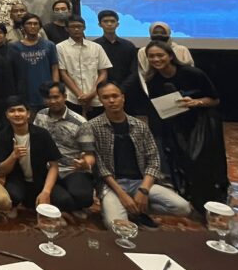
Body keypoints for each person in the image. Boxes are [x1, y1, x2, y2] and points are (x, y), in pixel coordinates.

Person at [82, 81, 192, 229]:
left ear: (123, 97)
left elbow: (153, 160)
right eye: (106, 97)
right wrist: (122, 195)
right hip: (112, 185)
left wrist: (144, 190)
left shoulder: (140, 126)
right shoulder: (92, 127)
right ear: (100, 100)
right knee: (117, 227)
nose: (111, 100)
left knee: (183, 208)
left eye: (115, 96)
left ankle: (136, 209)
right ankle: (125, 209)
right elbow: (101, 169)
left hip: (140, 182)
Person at [143, 41, 229, 209]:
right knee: (181, 162)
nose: (156, 59)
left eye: (160, 55)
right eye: (151, 56)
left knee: (204, 164)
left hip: (201, 124)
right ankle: (189, 196)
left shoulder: (193, 73)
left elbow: (215, 100)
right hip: (176, 125)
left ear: (170, 56)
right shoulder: (152, 80)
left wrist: (196, 102)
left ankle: (211, 201)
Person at [33, 82, 96, 214]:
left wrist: (85, 164)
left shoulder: (80, 122)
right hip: (47, 169)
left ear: (65, 97)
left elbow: (89, 154)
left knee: (84, 198)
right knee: (64, 200)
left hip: (72, 169)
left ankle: (63, 200)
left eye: (56, 97)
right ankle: (63, 202)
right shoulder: (40, 115)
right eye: (48, 98)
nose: (52, 101)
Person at [0, 100, 67, 212]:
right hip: (18, 180)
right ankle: (23, 202)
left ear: (28, 114)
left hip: (41, 178)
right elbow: (2, 171)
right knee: (13, 196)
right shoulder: (2, 137)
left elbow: (54, 165)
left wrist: (46, 191)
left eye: (20, 110)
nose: (17, 114)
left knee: (64, 200)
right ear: (7, 115)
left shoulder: (42, 134)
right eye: (12, 111)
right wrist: (13, 156)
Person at [56, 15, 112, 118]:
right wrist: (79, 94)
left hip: (95, 97)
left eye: (79, 26)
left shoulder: (96, 47)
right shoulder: (60, 47)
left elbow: (103, 72)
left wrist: (92, 93)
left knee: (97, 125)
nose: (76, 29)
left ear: (84, 27)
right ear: (66, 29)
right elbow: (63, 73)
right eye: (72, 27)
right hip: (72, 97)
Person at [10, 13, 60, 111]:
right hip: (25, 94)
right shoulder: (14, 47)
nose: (32, 26)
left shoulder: (49, 45)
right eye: (29, 23)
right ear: (23, 27)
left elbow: (54, 69)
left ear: (40, 27)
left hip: (46, 93)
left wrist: (55, 90)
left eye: (35, 24)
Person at [0, 22, 28, 131]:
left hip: (10, 99)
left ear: (5, 35)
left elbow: (21, 77)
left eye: (0, 32)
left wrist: (19, 98)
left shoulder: (14, 52)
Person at [94, 10, 138, 84]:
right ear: (99, 24)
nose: (109, 24)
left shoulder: (128, 46)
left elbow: (134, 71)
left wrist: (123, 88)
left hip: (126, 88)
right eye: (105, 21)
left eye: (112, 21)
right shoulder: (94, 46)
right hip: (102, 88)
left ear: (117, 24)